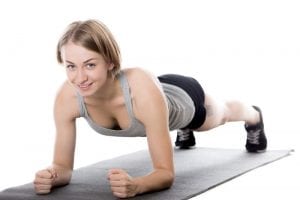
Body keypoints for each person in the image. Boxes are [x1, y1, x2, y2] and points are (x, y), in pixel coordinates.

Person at [33, 19, 267, 198]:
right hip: (154, 95)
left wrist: (137, 185)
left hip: (182, 96)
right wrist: (52, 175)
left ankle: (254, 115)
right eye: (71, 66)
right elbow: (63, 166)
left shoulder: (140, 88)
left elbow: (165, 173)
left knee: (221, 114)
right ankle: (176, 130)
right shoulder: (67, 97)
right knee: (160, 118)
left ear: (110, 62)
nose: (80, 77)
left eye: (90, 65)